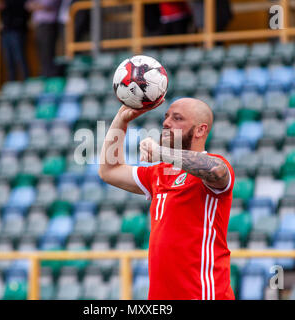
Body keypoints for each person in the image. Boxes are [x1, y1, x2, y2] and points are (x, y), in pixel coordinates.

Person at [98, 98, 235, 300]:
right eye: (166, 117)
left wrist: (161, 152)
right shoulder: (158, 173)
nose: (166, 123)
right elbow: (109, 171)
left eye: (177, 118)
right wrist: (121, 120)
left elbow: (215, 170)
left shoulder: (215, 166)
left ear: (200, 130)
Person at [26, 0, 62, 77]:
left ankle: (50, 75)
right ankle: (45, 73)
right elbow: (28, 5)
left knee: (48, 51)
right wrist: (37, 6)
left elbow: (47, 5)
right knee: (41, 52)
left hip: (49, 24)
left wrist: (36, 5)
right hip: (39, 25)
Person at [0, 0, 30, 81]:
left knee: (20, 58)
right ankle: (12, 82)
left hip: (17, 30)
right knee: (9, 59)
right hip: (6, 30)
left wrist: (6, 5)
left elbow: (24, 9)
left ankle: (26, 81)